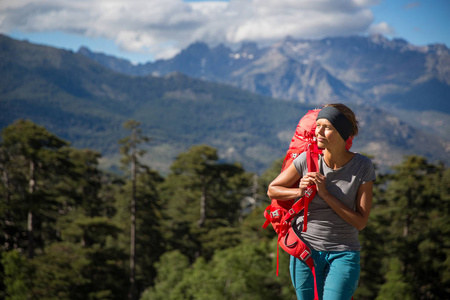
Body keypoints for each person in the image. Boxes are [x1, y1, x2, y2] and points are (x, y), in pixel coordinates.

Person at [267, 103, 376, 300]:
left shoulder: (362, 166)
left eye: (327, 127)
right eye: (318, 125)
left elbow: (360, 222)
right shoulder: (306, 160)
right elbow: (272, 190)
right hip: (305, 251)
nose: (319, 132)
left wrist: (325, 194)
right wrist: (300, 191)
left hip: (343, 253)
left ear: (343, 132)